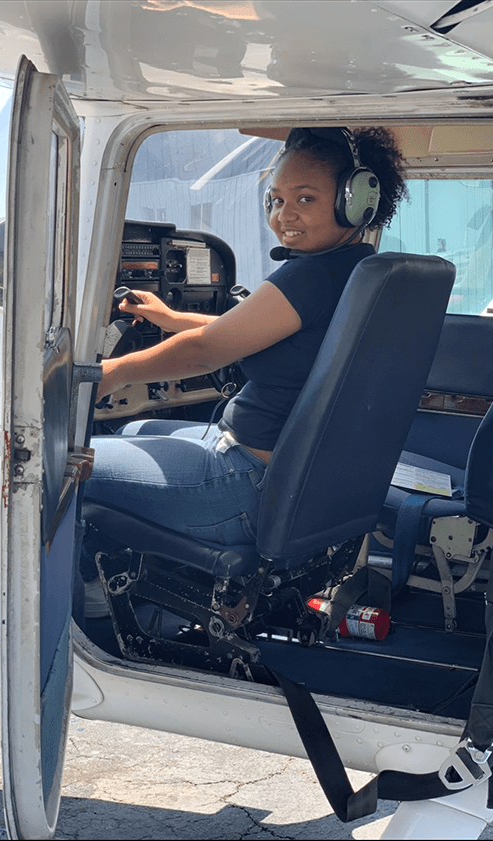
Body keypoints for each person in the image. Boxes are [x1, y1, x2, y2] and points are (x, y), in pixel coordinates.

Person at [79, 126, 407, 614]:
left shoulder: (311, 274)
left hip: (238, 484)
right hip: (284, 477)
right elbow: (248, 329)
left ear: (354, 202)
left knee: (62, 466)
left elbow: (207, 350)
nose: (284, 215)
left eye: (305, 198)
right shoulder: (358, 272)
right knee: (134, 426)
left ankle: (92, 611)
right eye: (274, 200)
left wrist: (110, 372)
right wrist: (170, 319)